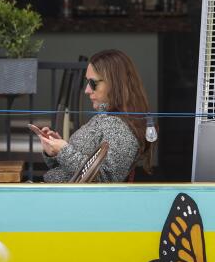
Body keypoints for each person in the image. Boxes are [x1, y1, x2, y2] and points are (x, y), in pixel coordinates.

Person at [37, 50, 152, 183]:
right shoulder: (106, 118)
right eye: (87, 82)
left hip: (64, 201)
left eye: (93, 83)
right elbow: (66, 170)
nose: (87, 90)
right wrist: (55, 152)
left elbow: (105, 179)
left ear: (114, 83)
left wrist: (64, 150)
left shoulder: (120, 128)